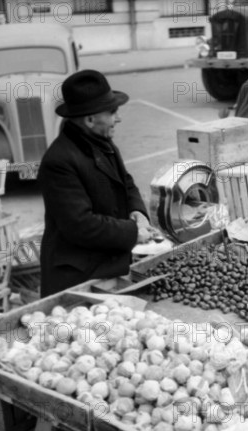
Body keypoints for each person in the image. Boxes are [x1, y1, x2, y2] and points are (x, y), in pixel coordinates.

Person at [39, 69, 152, 297]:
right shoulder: (58, 161)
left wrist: (137, 212)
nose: (118, 118)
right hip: (77, 278)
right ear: (90, 119)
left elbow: (127, 184)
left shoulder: (104, 143)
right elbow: (81, 225)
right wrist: (133, 232)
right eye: (112, 112)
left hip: (108, 266)